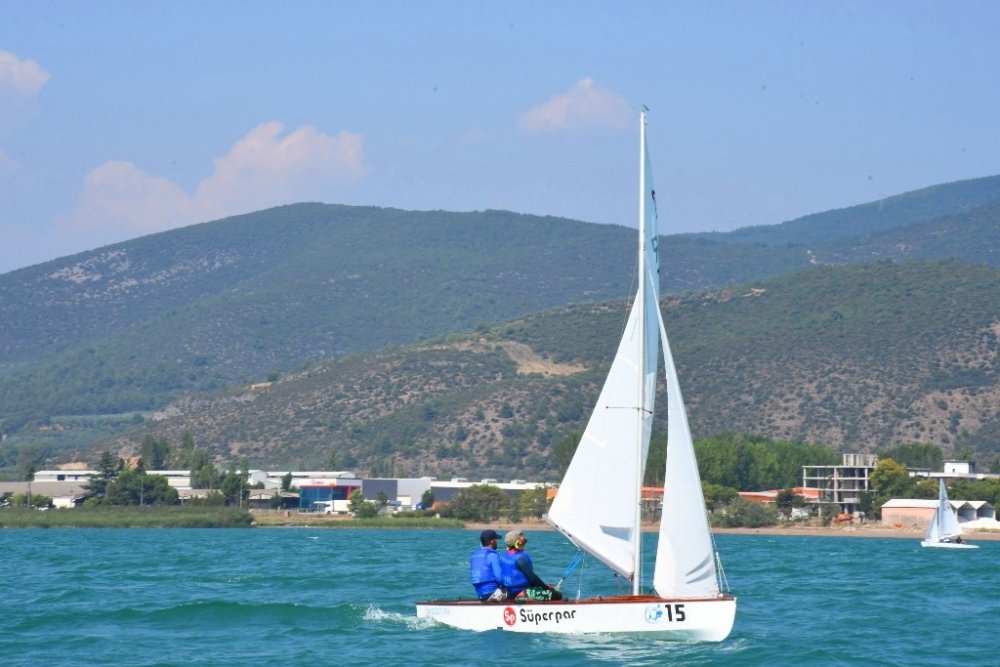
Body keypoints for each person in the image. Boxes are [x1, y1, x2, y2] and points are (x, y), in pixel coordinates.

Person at [500, 529, 564, 601]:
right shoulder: (520, 558)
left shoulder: (505, 555)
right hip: (520, 592)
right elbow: (533, 579)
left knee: (539, 588)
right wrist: (547, 588)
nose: (524, 537)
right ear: (517, 542)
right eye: (521, 536)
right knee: (557, 595)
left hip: (509, 591)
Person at [470, 529, 506, 602]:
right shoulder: (492, 555)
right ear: (492, 541)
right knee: (516, 589)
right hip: (492, 594)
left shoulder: (474, 556)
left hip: (480, 595)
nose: (497, 542)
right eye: (496, 540)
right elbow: (499, 579)